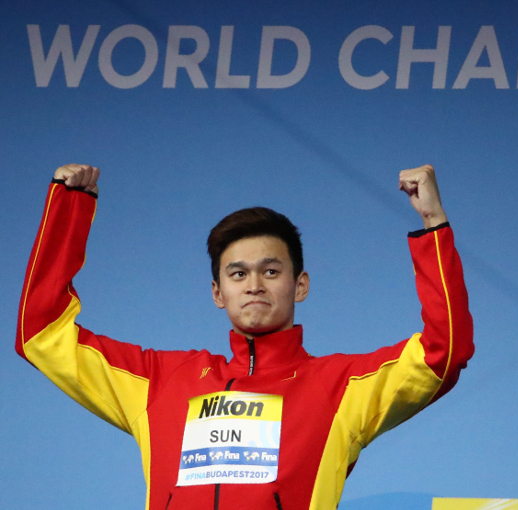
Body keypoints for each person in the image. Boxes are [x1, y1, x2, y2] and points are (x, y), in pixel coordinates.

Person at [16, 163, 474, 510]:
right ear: (218, 292)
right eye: (238, 274)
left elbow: (443, 352)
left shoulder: (342, 388)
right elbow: (41, 334)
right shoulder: (160, 382)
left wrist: (433, 222)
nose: (254, 284)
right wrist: (69, 210)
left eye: (271, 271)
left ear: (300, 285)